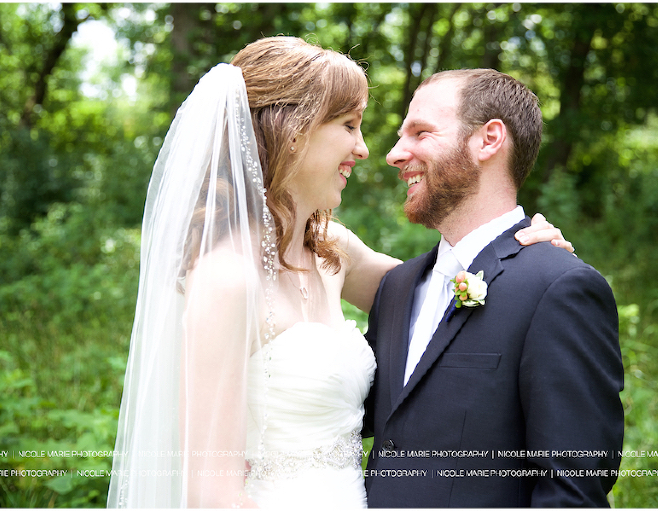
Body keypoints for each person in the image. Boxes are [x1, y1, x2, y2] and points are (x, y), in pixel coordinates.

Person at [106, 37, 573, 509]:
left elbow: (446, 296)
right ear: (294, 131)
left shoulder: (334, 249)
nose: (366, 149)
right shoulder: (227, 278)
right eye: (349, 125)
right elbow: (211, 493)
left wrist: (521, 250)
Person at [363, 69, 624, 507]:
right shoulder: (396, 287)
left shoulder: (558, 287)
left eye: (420, 132)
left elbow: (572, 491)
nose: (393, 154)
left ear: (488, 140)